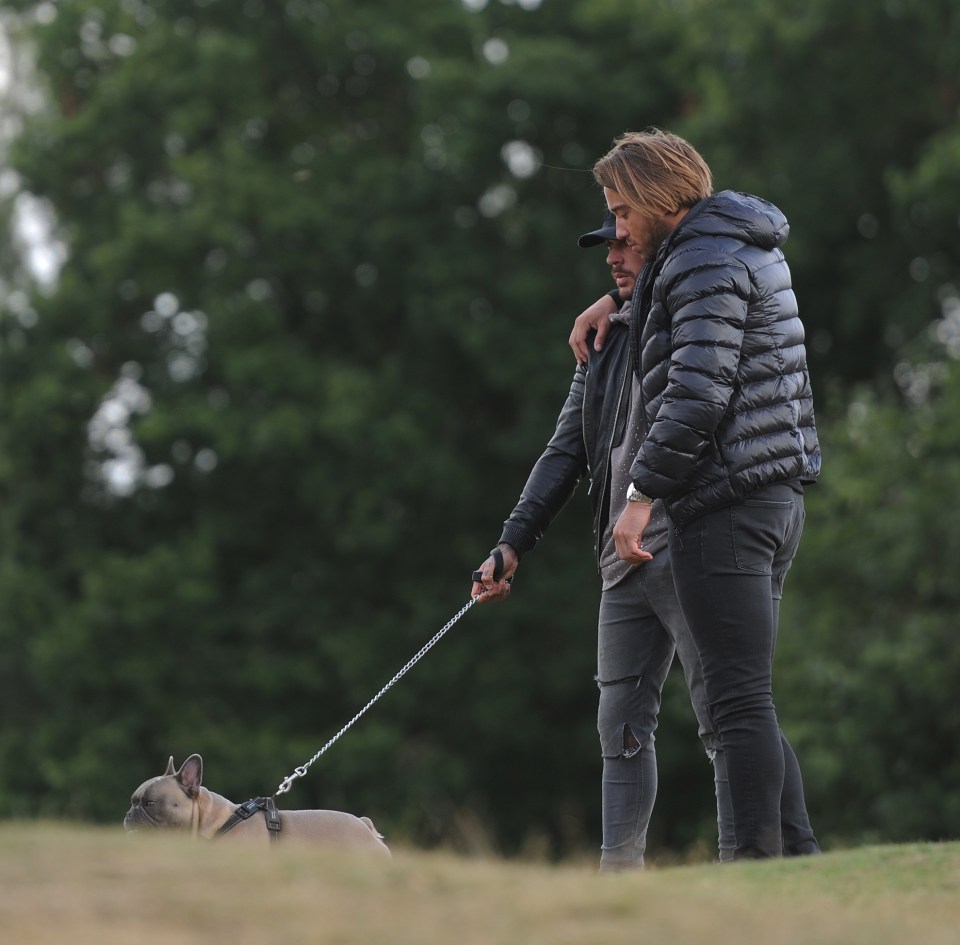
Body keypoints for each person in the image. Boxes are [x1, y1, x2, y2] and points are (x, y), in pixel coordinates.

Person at [571, 128, 821, 860]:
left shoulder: (701, 258)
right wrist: (612, 307)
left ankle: (749, 868)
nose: (617, 229)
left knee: (736, 703)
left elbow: (697, 393)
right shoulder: (732, 244)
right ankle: (798, 858)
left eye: (622, 211)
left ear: (657, 197)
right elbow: (689, 315)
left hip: (726, 501)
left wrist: (642, 492)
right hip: (773, 496)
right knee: (746, 696)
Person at [471, 210, 736, 870]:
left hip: (691, 538)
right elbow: (566, 451)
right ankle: (618, 881)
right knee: (619, 729)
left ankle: (761, 865)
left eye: (625, 241)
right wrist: (512, 544)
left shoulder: (690, 309)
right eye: (606, 246)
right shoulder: (602, 339)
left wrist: (624, 304)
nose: (613, 256)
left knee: (726, 714)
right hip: (620, 561)